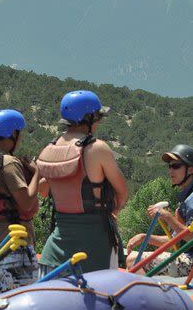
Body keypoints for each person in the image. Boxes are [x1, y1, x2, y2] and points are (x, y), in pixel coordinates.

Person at [36, 90, 128, 274]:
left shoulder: (49, 149)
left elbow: (43, 191)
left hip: (53, 253)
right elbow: (123, 193)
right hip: (95, 249)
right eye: (97, 116)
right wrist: (114, 211)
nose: (99, 121)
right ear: (87, 118)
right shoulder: (97, 149)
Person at [125, 144, 193, 276]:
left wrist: (167, 216)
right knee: (136, 258)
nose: (171, 170)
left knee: (134, 260)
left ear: (190, 170)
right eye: (169, 166)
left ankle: (149, 296)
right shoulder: (190, 197)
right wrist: (145, 238)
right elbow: (175, 241)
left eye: (176, 166)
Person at [0, 109, 40, 296]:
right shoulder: (9, 162)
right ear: (13, 133)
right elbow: (26, 203)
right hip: (15, 239)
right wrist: (37, 173)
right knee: (19, 298)